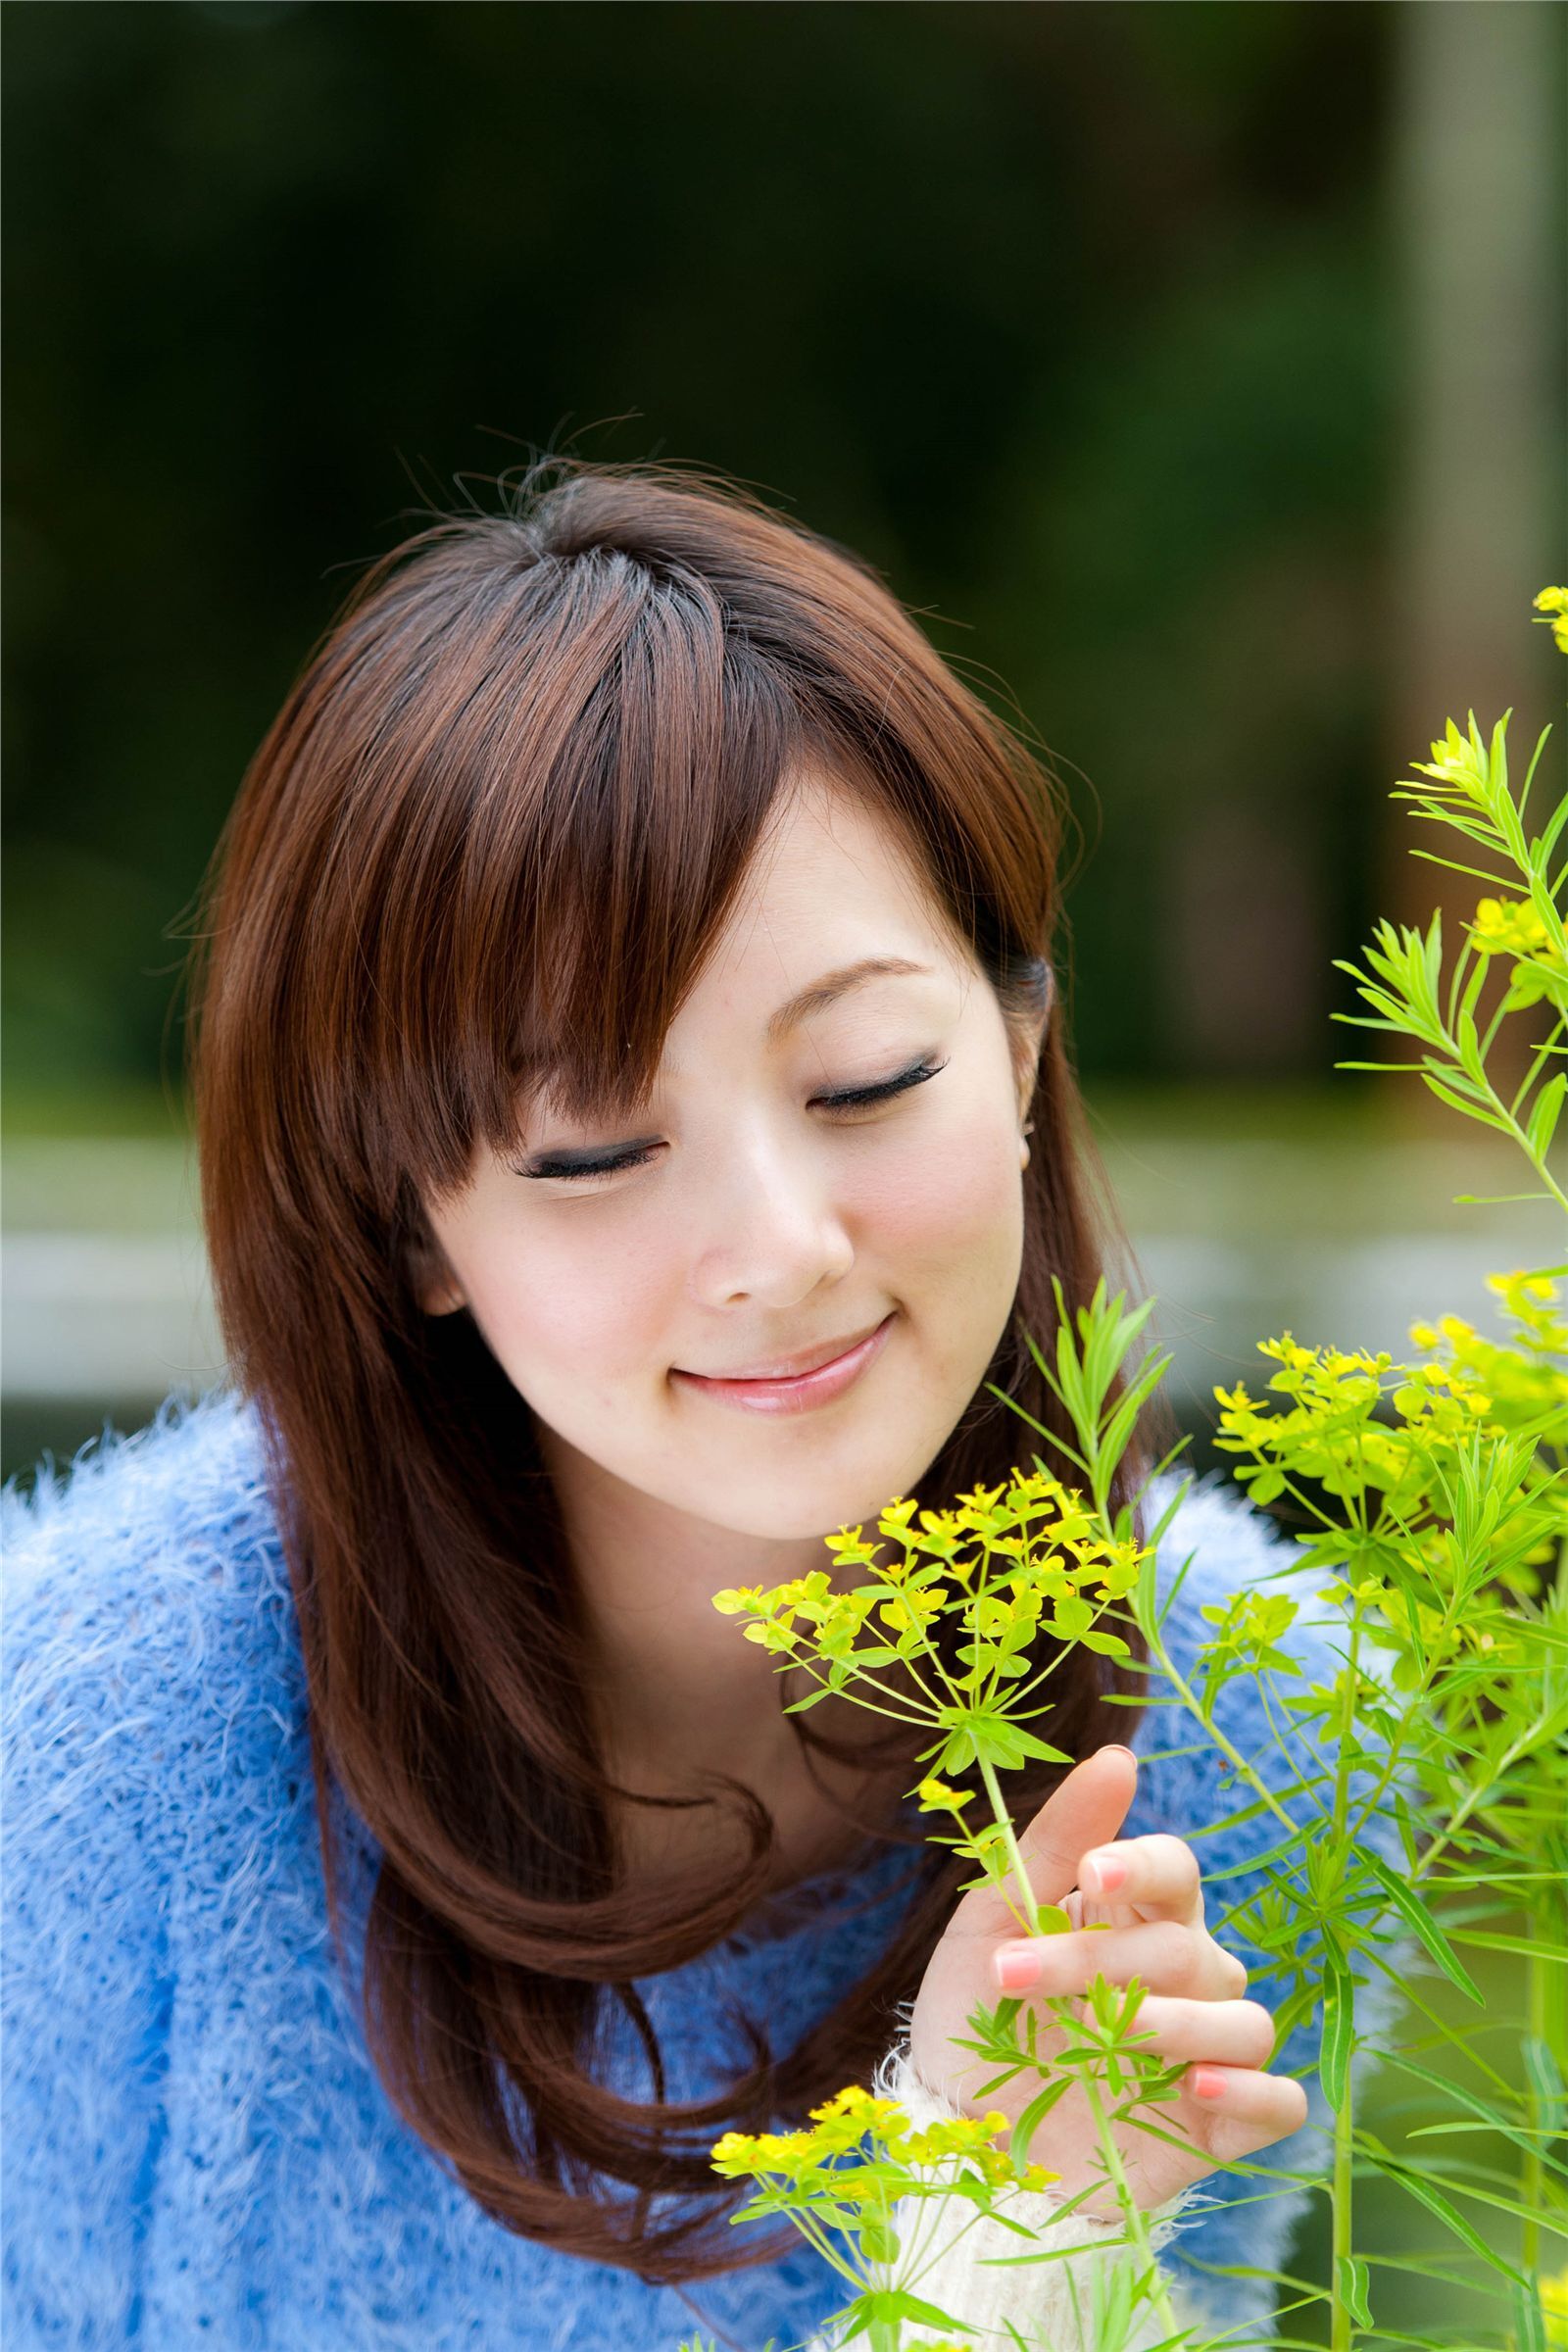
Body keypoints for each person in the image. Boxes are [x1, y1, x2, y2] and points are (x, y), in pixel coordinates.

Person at [2, 462, 1402, 2352]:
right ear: (412, 1226)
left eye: (865, 1078)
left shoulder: (1259, 1738)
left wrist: (1012, 2277)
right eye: (590, 1148)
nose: (779, 1247)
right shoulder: (84, 1745)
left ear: (1017, 1048)